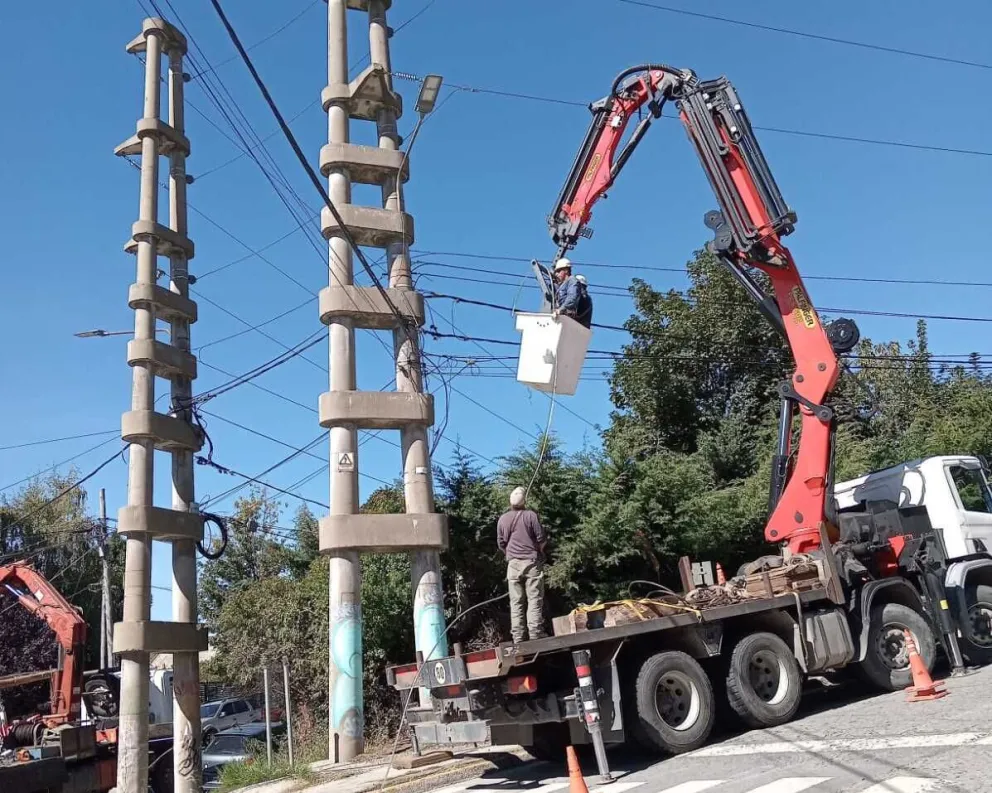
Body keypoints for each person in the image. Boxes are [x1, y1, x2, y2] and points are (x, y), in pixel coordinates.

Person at [496, 486, 547, 643]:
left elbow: (500, 543)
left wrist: (510, 555)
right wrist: (540, 552)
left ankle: (518, 637)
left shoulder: (503, 519)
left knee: (516, 601)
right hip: (531, 563)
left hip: (513, 565)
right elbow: (542, 539)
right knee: (534, 599)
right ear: (525, 501)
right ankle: (535, 633)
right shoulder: (531, 516)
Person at [552, 258, 592, 329]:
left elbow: (572, 298)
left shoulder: (572, 280)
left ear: (566, 270)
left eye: (558, 271)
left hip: (568, 319)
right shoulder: (563, 285)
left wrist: (560, 310)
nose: (556, 274)